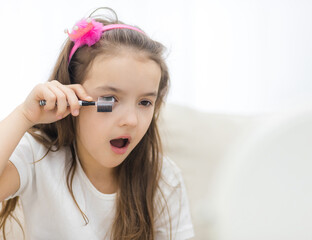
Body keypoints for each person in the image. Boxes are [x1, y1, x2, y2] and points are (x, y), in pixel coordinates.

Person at [0, 7, 194, 240]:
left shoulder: (163, 177)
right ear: (73, 96)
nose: (131, 121)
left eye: (144, 102)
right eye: (110, 100)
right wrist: (24, 115)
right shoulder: (37, 158)